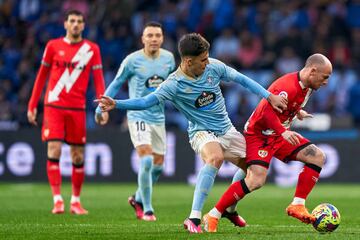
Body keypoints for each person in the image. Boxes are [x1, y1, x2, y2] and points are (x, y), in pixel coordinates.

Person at [96, 33, 287, 233]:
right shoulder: (173, 84)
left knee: (255, 170)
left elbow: (242, 79)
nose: (207, 63)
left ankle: (230, 209)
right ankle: (194, 218)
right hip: (200, 132)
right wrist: (117, 103)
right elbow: (146, 101)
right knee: (215, 158)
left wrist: (269, 96)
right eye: (202, 60)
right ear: (188, 61)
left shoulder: (214, 66)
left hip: (227, 130)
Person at [202, 53, 332, 232]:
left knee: (317, 156)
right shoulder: (287, 87)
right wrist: (283, 132)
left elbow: (288, 104)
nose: (326, 82)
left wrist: (296, 111)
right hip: (259, 135)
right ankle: (213, 214)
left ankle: (297, 205)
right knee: (256, 180)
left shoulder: (308, 86)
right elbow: (266, 112)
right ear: (313, 71)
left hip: (279, 134)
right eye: (325, 77)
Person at [27, 10, 108, 215]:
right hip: (53, 105)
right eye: (72, 21)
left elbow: (98, 80)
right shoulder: (53, 46)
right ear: (65, 24)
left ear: (83, 25)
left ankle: (75, 201)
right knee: (54, 149)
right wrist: (32, 105)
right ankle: (57, 201)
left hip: (77, 108)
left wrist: (103, 107)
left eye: (79, 21)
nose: (75, 25)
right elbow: (41, 76)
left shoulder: (92, 49)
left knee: (78, 156)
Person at [95, 22, 175, 221]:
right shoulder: (132, 60)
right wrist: (100, 108)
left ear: (163, 38)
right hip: (137, 116)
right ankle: (147, 209)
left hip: (158, 117)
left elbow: (173, 87)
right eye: (150, 35)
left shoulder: (169, 59)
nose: (154, 39)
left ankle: (137, 198)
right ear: (143, 39)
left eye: (158, 35)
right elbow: (116, 83)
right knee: (146, 159)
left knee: (157, 167)